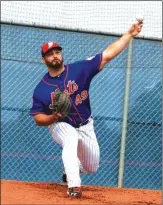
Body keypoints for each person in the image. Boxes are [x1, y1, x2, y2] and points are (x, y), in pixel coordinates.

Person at [30, 21, 143, 198]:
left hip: (86, 124)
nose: (55, 56)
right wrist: (53, 117)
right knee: (71, 137)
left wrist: (128, 35)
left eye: (57, 52)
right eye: (50, 54)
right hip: (60, 123)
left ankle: (70, 171)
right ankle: (73, 186)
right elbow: (38, 118)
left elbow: (107, 55)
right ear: (44, 59)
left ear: (61, 54)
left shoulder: (79, 69)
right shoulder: (42, 88)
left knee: (92, 166)